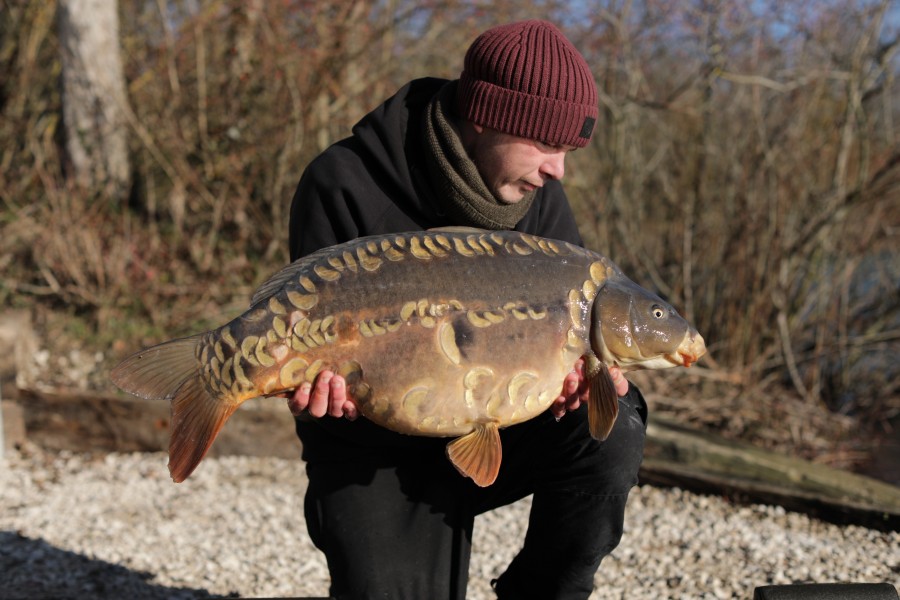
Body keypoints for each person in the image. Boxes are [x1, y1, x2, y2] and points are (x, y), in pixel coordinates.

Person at [285, 19, 647, 600]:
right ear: (483, 114)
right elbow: (310, 338)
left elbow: (577, 337)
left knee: (614, 423)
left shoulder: (539, 200)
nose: (558, 170)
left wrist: (584, 376)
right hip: (375, 447)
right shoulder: (345, 182)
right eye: (547, 145)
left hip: (498, 426)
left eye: (567, 151)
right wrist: (314, 389)